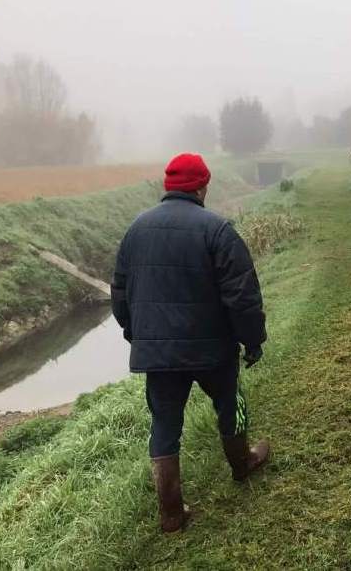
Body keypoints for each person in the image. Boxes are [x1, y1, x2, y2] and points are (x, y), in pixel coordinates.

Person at [111, 153, 269, 533]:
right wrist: (252, 341)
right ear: (203, 187)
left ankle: (170, 514)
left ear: (168, 187)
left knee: (164, 422)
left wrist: (137, 333)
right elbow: (242, 295)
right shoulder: (217, 229)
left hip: (159, 352)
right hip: (213, 349)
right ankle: (242, 464)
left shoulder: (136, 230)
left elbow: (120, 292)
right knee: (231, 403)